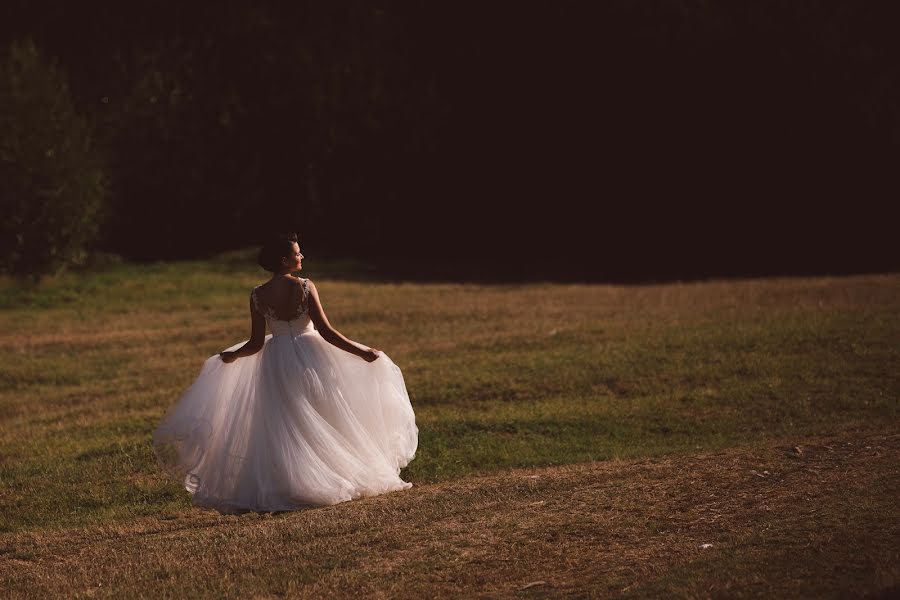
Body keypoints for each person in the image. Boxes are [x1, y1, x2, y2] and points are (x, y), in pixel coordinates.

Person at [153, 233, 417, 513]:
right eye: (297, 253)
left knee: (286, 422)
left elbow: (255, 343)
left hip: (276, 360)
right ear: (284, 260)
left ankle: (295, 482)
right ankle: (326, 475)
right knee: (322, 414)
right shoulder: (304, 286)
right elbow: (326, 332)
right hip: (310, 355)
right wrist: (362, 352)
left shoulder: (258, 294)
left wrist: (233, 355)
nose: (302, 257)